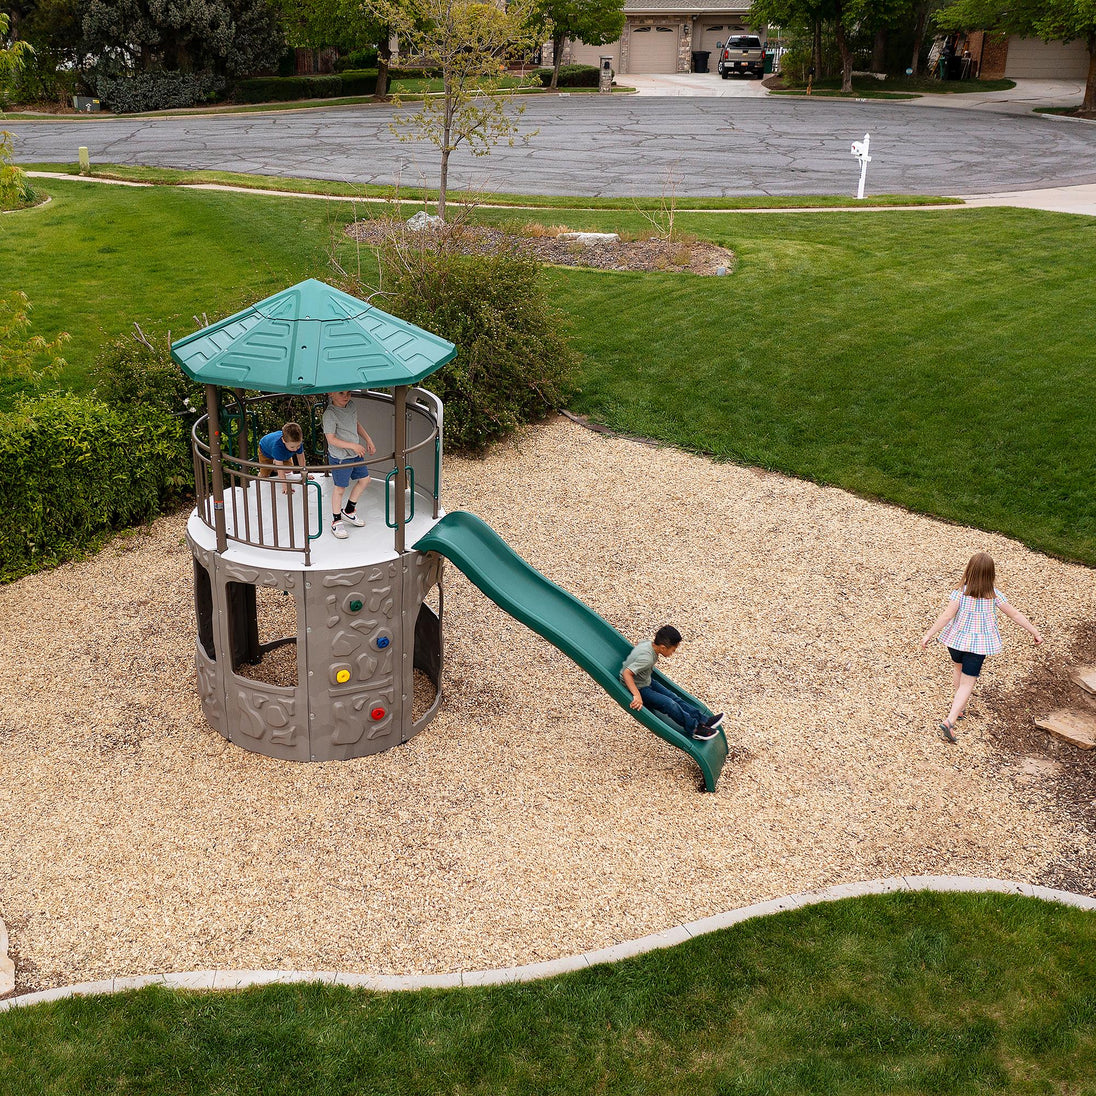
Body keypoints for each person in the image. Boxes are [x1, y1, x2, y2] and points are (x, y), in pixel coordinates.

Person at [920, 552, 1042, 743]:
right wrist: (1035, 632)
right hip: (977, 647)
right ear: (990, 574)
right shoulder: (994, 596)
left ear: (969, 570)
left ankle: (960, 709)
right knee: (968, 683)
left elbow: (947, 616)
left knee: (958, 669)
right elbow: (1015, 615)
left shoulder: (960, 592)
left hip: (956, 642)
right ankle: (950, 720)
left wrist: (929, 634)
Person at [620, 625, 723, 741]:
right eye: (673, 650)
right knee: (669, 703)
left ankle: (703, 720)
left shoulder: (649, 644)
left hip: (645, 680)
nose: (673, 652)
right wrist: (636, 695)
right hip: (638, 687)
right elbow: (626, 673)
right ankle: (695, 729)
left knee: (673, 697)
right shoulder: (647, 658)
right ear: (663, 648)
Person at [322, 391, 377, 539]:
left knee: (365, 480)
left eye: (349, 393)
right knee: (340, 489)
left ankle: (349, 511)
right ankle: (336, 521)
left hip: (355, 454)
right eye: (341, 393)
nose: (346, 396)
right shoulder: (330, 414)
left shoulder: (351, 405)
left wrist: (368, 440)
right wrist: (353, 446)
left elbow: (356, 424)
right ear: (331, 394)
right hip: (341, 457)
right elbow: (331, 439)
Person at [258, 422, 307, 494]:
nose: (295, 449)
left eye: (298, 446)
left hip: (283, 453)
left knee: (288, 469)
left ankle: (276, 462)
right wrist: (285, 486)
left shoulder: (296, 443)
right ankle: (275, 462)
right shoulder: (277, 447)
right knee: (264, 475)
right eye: (292, 447)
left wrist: (304, 475)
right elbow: (280, 468)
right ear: (284, 440)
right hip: (265, 451)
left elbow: (301, 459)